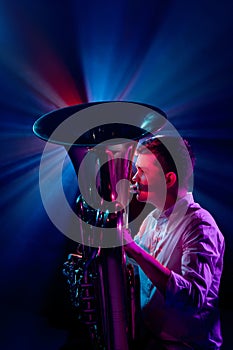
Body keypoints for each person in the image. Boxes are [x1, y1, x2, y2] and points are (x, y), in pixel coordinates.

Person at [123, 135, 225, 349]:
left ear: (169, 180)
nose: (133, 179)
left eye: (142, 171)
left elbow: (192, 298)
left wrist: (132, 248)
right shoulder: (150, 220)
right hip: (153, 341)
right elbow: (136, 271)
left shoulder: (200, 226)